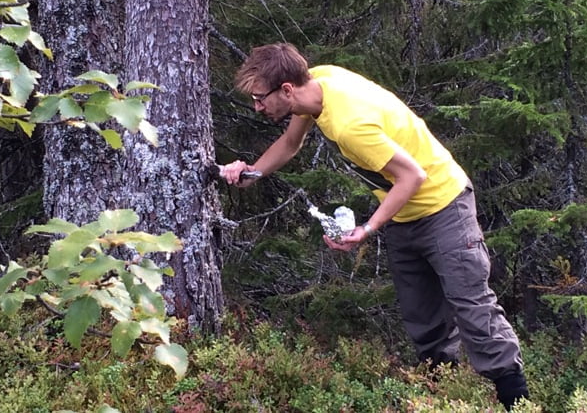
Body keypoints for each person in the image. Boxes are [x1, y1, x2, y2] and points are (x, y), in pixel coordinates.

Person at [220, 43, 530, 411]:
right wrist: (251, 173)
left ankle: (519, 402)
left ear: (286, 90)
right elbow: (290, 143)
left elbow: (412, 176)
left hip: (445, 205)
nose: (258, 107)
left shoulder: (350, 125)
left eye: (260, 98)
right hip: (404, 216)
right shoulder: (318, 82)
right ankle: (442, 402)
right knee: (424, 319)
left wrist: (368, 229)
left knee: (473, 308)